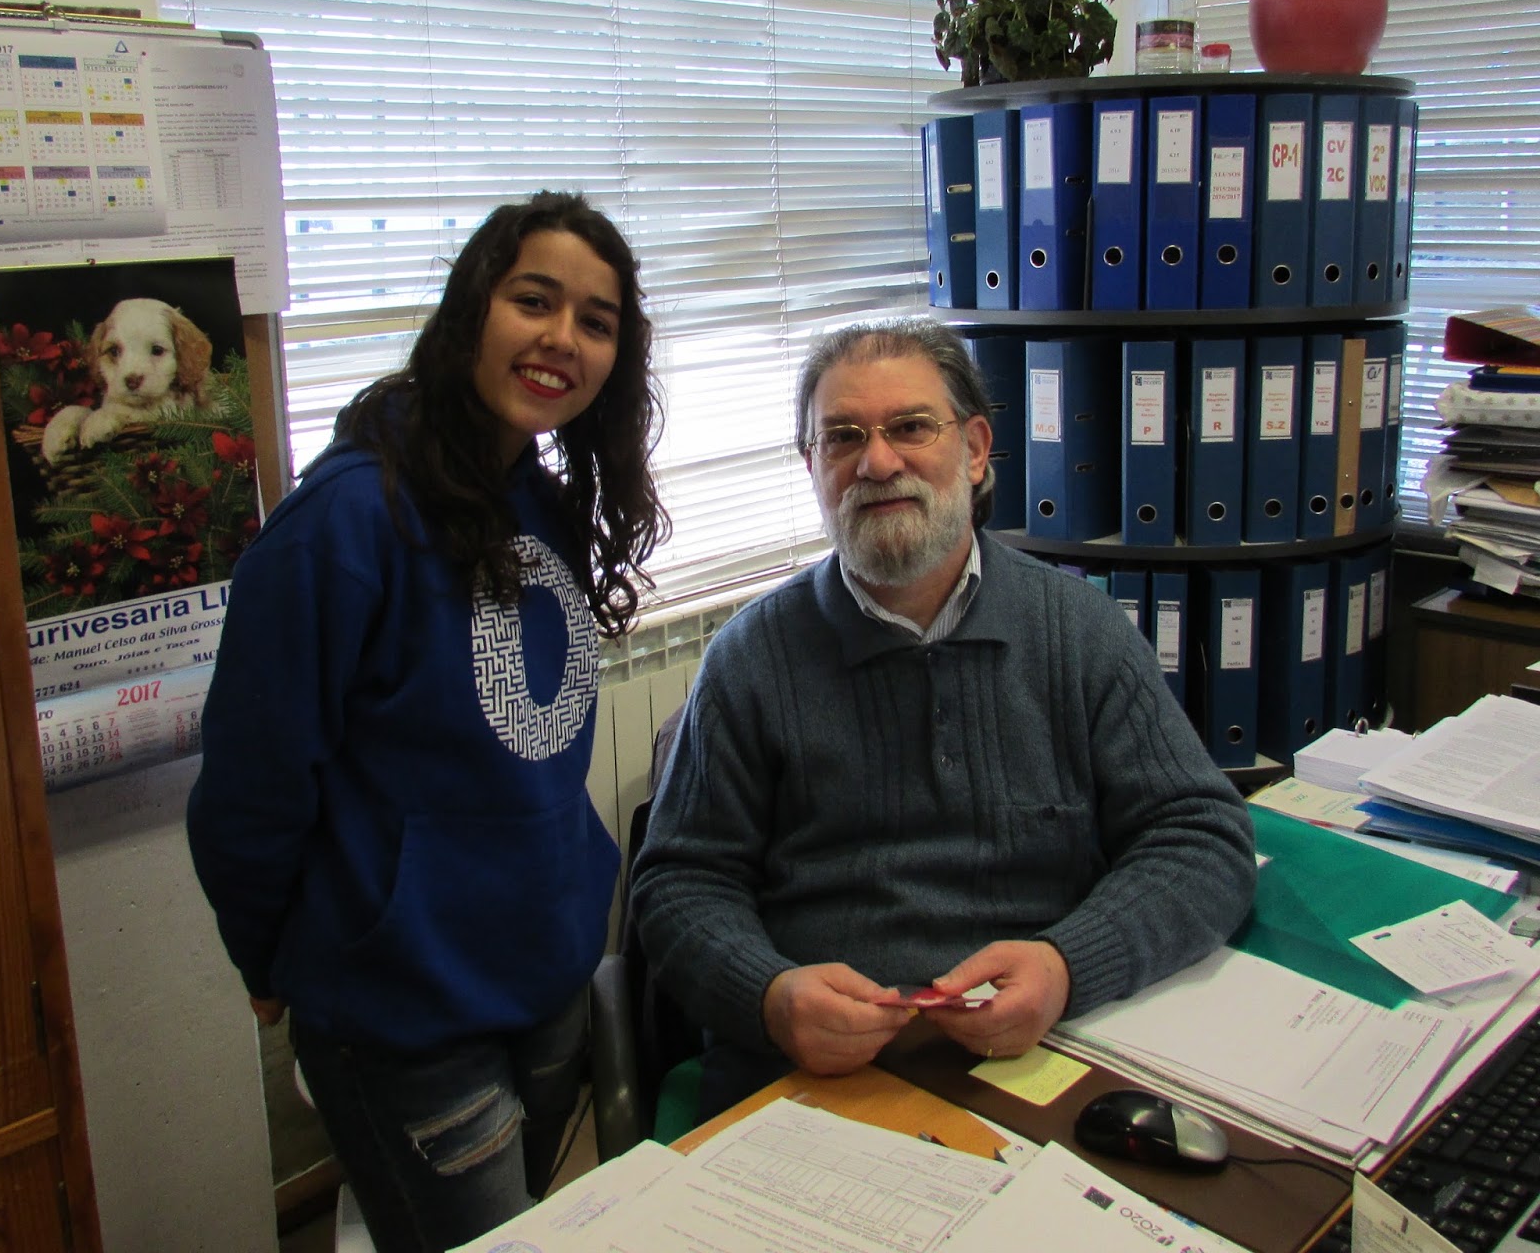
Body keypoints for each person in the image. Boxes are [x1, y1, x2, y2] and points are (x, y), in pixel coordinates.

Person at [187, 191, 667, 1252]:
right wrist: (269, 961)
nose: (563, 338)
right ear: (470, 311)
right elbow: (250, 790)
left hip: (544, 975)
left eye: (595, 321)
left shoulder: (538, 496)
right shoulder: (343, 525)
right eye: (533, 300)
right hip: (407, 1014)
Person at [631, 318, 1256, 1120]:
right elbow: (679, 885)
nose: (877, 462)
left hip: (1048, 1055)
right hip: (815, 1078)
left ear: (976, 448)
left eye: (911, 427)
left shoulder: (1080, 632)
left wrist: (1068, 966)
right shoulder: (750, 658)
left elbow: (1203, 839)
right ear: (812, 465)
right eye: (843, 437)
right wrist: (770, 996)